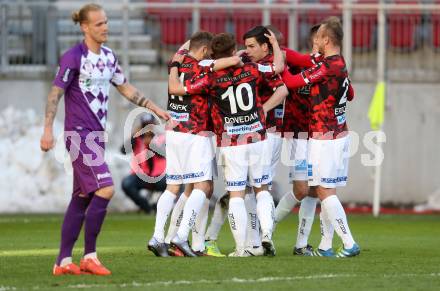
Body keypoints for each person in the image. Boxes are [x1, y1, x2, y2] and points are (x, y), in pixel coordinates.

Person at [40, 3, 170, 276]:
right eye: (99, 24)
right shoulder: (73, 57)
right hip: (79, 136)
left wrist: (154, 108)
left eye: (106, 22)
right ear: (85, 27)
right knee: (106, 188)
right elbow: (55, 94)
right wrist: (48, 129)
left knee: (82, 198)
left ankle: (63, 261)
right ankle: (90, 256)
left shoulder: (109, 57)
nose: (105, 27)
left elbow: (124, 86)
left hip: (96, 137)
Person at [169, 31, 284, 256]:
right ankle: (266, 236)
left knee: (236, 195)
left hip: (231, 142)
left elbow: (186, 75)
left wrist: (177, 60)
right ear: (234, 51)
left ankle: (241, 248)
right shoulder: (251, 68)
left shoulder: (209, 76)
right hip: (257, 137)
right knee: (262, 190)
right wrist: (274, 44)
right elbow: (278, 67)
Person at [148, 31, 240, 257]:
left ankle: (158, 237)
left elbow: (184, 47)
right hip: (195, 134)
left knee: (172, 188)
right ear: (205, 51)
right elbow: (233, 60)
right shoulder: (204, 70)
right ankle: (181, 237)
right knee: (202, 187)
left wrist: (179, 58)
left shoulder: (178, 62)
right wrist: (240, 55)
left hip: (174, 132)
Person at [281, 17, 360, 258]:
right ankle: (325, 245)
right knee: (327, 190)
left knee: (324, 191)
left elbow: (291, 81)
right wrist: (280, 50)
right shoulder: (339, 63)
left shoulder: (327, 67)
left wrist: (280, 64)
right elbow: (352, 94)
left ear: (326, 39)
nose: (315, 41)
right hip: (337, 133)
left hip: (324, 136)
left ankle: (349, 243)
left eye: (318, 38)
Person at [121, 113, 167, 214]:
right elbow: (123, 150)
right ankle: (147, 208)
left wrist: (151, 145)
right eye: (145, 125)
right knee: (127, 183)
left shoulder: (161, 138)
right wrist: (134, 134)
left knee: (173, 184)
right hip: (141, 175)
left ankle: (157, 206)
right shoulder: (136, 139)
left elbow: (164, 154)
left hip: (159, 176)